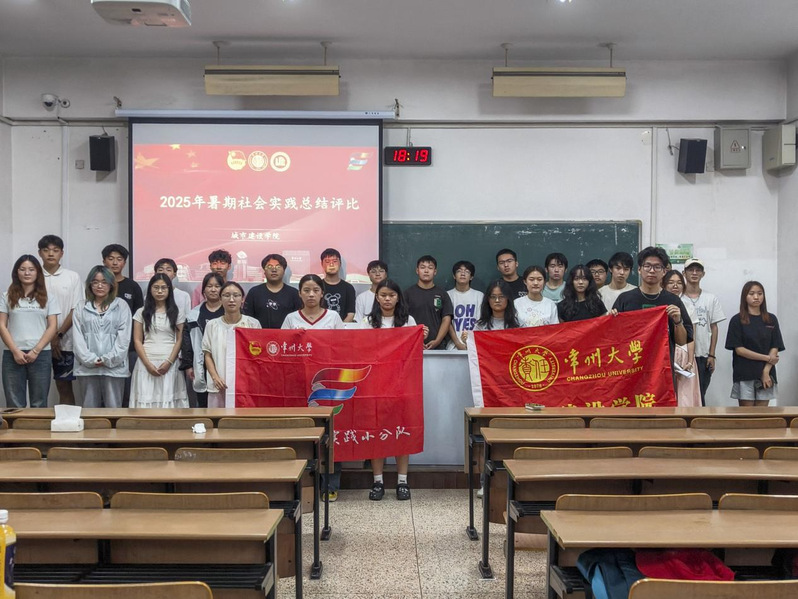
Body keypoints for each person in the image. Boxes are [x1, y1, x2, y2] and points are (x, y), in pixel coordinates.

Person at [282, 274, 344, 501]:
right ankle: (303, 486)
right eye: (306, 290)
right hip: (299, 383)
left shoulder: (333, 317)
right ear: (299, 293)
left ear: (322, 294)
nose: (311, 294)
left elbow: (344, 346)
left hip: (327, 383)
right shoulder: (291, 318)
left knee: (330, 433)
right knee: (302, 434)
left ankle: (330, 485)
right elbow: (282, 349)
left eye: (315, 290)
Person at [365, 279, 427, 501]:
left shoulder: (408, 321)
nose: (387, 299)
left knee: (402, 430)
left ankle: (402, 481)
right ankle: (378, 481)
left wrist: (420, 336)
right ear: (377, 297)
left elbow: (414, 352)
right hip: (376, 385)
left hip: (402, 383)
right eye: (383, 295)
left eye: (391, 295)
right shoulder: (368, 322)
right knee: (377, 432)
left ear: (398, 297)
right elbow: (362, 350)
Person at [612, 246, 693, 376]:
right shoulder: (625, 299)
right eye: (647, 266)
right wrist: (611, 318)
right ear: (639, 269)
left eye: (657, 267)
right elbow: (613, 337)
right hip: (631, 371)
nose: (652, 270)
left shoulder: (673, 301)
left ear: (664, 271)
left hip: (662, 373)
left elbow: (682, 341)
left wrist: (678, 321)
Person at [0, 255, 60, 408]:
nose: (27, 273)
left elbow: (52, 326)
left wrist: (36, 350)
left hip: (41, 354)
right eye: (22, 269)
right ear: (16, 272)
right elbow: (2, 325)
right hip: (13, 354)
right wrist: (15, 351)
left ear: (37, 272)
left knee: (39, 402)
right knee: (14, 404)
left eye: (31, 269)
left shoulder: (49, 297)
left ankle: (36, 426)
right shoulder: (6, 296)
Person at [71, 265, 132, 408]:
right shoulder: (81, 306)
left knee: (114, 409)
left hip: (114, 367)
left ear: (111, 285)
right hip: (87, 367)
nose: (99, 286)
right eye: (95, 282)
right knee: (89, 410)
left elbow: (124, 338)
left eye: (104, 282)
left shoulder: (121, 305)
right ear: (89, 284)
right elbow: (77, 338)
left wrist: (108, 359)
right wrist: (90, 359)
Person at [129, 273, 187, 408]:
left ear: (169, 290)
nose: (160, 291)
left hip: (170, 362)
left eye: (163, 288)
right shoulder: (141, 312)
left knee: (169, 401)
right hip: (146, 361)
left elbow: (179, 340)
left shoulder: (177, 312)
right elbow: (137, 340)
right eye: (156, 287)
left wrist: (169, 362)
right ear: (150, 289)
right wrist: (148, 364)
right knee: (145, 400)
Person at [38, 235, 84, 405]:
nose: (51, 254)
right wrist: (48, 339)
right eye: (46, 250)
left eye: (55, 250)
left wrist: (58, 335)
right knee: (38, 388)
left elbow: (76, 308)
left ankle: (68, 420)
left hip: (65, 342)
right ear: (40, 253)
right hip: (37, 343)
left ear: (62, 253)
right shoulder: (34, 276)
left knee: (64, 386)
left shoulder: (72, 277)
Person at [725, 281, 785, 407]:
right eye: (751, 294)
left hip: (767, 373)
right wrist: (767, 358)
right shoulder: (737, 320)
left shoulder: (771, 319)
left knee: (762, 414)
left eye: (760, 293)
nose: (756, 297)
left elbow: (775, 347)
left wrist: (766, 371)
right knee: (747, 414)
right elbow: (740, 350)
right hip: (745, 373)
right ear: (745, 297)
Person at [202, 281, 260, 408]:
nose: (231, 299)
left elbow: (257, 357)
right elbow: (207, 354)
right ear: (220, 299)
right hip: (219, 385)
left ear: (242, 299)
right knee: (217, 418)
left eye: (236, 295)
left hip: (244, 386)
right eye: (226, 295)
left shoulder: (252, 324)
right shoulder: (212, 325)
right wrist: (215, 377)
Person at [102, 243, 143, 406]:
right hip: (102, 346)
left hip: (129, 347)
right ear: (104, 261)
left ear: (124, 262)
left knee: (127, 389)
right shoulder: (98, 286)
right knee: (103, 392)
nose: (114, 262)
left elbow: (139, 317)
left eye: (119, 259)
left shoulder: (132, 286)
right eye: (111, 258)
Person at [682, 258, 726, 405]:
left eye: (698, 270)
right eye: (691, 270)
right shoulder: (678, 298)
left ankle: (698, 419)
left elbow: (714, 327)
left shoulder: (710, 298)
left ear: (703, 274)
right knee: (683, 394)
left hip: (703, 355)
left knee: (700, 394)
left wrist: (712, 355)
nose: (694, 273)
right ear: (684, 273)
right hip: (683, 355)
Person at [180, 272, 225, 408]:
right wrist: (188, 365)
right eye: (209, 286)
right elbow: (186, 342)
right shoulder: (194, 314)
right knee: (204, 402)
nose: (213, 289)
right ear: (203, 290)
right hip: (201, 363)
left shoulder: (229, 312)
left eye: (217, 286)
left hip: (224, 362)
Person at [662, 269, 701, 407]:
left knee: (684, 397)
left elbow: (691, 337)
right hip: (665, 354)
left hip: (684, 355)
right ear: (663, 284)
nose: (675, 286)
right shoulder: (659, 302)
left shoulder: (688, 306)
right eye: (671, 282)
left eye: (679, 283)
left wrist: (690, 361)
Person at [404, 255, 454, 350]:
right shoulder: (407, 294)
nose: (426, 271)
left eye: (430, 268)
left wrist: (437, 341)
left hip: (438, 347)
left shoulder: (442, 294)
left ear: (435, 272)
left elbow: (446, 319)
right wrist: (415, 340)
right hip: (412, 346)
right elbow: (403, 320)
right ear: (417, 270)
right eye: (422, 267)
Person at [243, 254, 302, 329]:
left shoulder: (294, 293)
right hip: (259, 335)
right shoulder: (254, 292)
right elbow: (247, 319)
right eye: (269, 266)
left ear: (284, 271)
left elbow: (298, 319)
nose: (274, 270)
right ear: (264, 271)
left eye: (278, 267)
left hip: (287, 335)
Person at [447, 260, 483, 350]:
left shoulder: (479, 296)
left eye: (467, 271)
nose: (463, 274)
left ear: (471, 277)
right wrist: (458, 343)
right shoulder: (447, 295)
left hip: (476, 344)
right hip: (453, 346)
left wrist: (471, 341)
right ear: (454, 276)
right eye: (459, 271)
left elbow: (481, 321)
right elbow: (446, 322)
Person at [319, 248, 356, 322]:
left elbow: (351, 313)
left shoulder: (348, 288)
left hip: (343, 327)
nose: (331, 264)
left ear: (340, 263)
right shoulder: (317, 286)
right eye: (327, 261)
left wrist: (340, 327)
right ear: (322, 264)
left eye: (335, 261)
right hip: (321, 327)